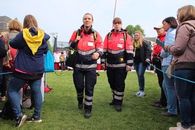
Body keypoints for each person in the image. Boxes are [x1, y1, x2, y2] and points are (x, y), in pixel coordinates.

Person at [7, 14, 50, 127]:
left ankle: (19, 115)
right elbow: (45, 50)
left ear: (25, 23)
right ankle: (37, 117)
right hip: (37, 70)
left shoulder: (23, 34)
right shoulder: (42, 35)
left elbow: (12, 44)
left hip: (23, 69)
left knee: (12, 90)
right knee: (36, 91)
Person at [164, 5, 195, 130]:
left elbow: (178, 49)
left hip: (184, 66)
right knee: (192, 96)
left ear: (183, 14)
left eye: (178, 14)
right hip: (193, 66)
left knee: (183, 97)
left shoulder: (185, 26)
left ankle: (185, 125)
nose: (177, 17)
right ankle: (192, 123)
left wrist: (168, 47)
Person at [69, 13, 103, 118]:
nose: (87, 20)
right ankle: (80, 100)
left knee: (89, 88)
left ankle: (88, 109)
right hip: (78, 66)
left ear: (92, 21)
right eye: (85, 19)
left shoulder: (96, 34)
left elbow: (101, 47)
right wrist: (76, 40)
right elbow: (70, 46)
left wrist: (98, 53)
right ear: (83, 20)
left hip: (91, 67)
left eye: (89, 19)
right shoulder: (76, 32)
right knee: (79, 87)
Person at [101, 17, 133, 112]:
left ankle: (118, 103)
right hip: (110, 65)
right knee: (112, 82)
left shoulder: (126, 36)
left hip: (121, 66)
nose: (117, 24)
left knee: (119, 83)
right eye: (115, 23)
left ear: (121, 24)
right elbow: (104, 50)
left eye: (119, 23)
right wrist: (103, 62)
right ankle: (115, 99)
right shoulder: (108, 35)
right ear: (113, 24)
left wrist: (129, 64)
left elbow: (130, 51)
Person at [160, 17, 178, 117]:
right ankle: (171, 106)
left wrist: (161, 54)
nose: (163, 26)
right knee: (166, 85)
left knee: (169, 87)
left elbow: (168, 50)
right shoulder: (173, 32)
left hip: (168, 63)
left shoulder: (171, 34)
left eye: (164, 24)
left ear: (170, 23)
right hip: (170, 62)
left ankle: (172, 109)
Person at [1, 19, 22, 102]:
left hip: (7, 63)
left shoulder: (5, 36)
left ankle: (10, 103)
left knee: (8, 84)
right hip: (19, 64)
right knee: (18, 85)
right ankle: (18, 103)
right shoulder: (22, 35)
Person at [151, 25, 167, 108]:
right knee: (161, 82)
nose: (157, 30)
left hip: (162, 61)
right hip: (158, 61)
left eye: (159, 29)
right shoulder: (158, 38)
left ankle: (164, 102)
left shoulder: (166, 37)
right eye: (156, 29)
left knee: (164, 82)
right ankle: (162, 100)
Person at [133, 31, 151, 97]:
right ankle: (140, 90)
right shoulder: (134, 43)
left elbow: (148, 50)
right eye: (135, 35)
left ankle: (142, 91)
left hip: (142, 61)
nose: (135, 36)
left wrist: (148, 58)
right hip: (136, 62)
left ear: (140, 36)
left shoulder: (144, 42)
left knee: (141, 74)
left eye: (137, 35)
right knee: (139, 76)